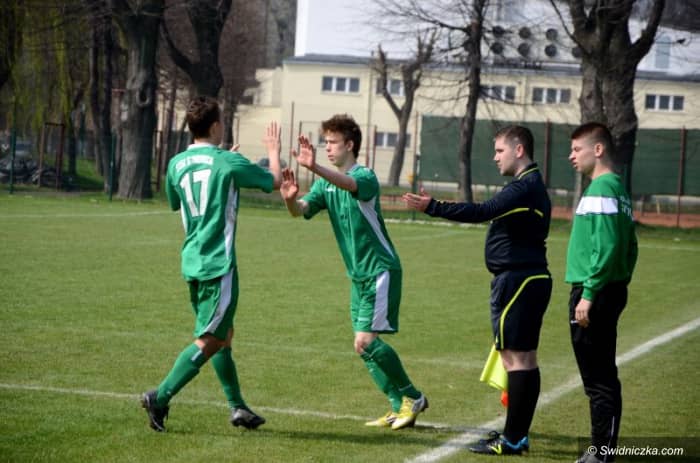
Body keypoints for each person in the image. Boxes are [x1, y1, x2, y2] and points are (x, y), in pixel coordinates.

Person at [403, 125, 551, 455]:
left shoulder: (524, 187)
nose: (495, 157)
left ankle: (513, 439)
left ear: (519, 150)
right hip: (526, 279)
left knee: (518, 360)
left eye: (499, 150)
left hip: (518, 281)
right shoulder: (531, 186)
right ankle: (516, 436)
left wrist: (432, 206)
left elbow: (481, 211)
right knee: (522, 358)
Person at [141, 96, 282, 432]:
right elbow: (274, 181)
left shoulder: (176, 163)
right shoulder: (227, 162)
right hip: (218, 264)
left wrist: (224, 166)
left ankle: (238, 407)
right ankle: (160, 396)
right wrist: (273, 150)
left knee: (223, 333)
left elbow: (177, 202)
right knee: (211, 339)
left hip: (192, 261)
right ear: (216, 125)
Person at [279, 114, 428, 430]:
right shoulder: (325, 185)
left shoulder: (366, 176)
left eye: (333, 142)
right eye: (325, 142)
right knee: (361, 345)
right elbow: (301, 211)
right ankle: (397, 406)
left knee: (367, 341)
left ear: (349, 145)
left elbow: (350, 184)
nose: (327, 148)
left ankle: (413, 397)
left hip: (380, 270)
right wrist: (290, 200)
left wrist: (314, 167)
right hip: (358, 277)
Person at [566, 123, 638, 463]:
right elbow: (630, 247)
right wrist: (618, 283)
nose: (571, 156)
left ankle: (601, 452)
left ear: (598, 150)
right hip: (608, 287)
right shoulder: (618, 189)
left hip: (593, 290)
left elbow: (607, 247)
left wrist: (590, 293)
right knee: (601, 374)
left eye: (576, 149)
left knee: (598, 378)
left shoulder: (601, 189)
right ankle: (601, 449)